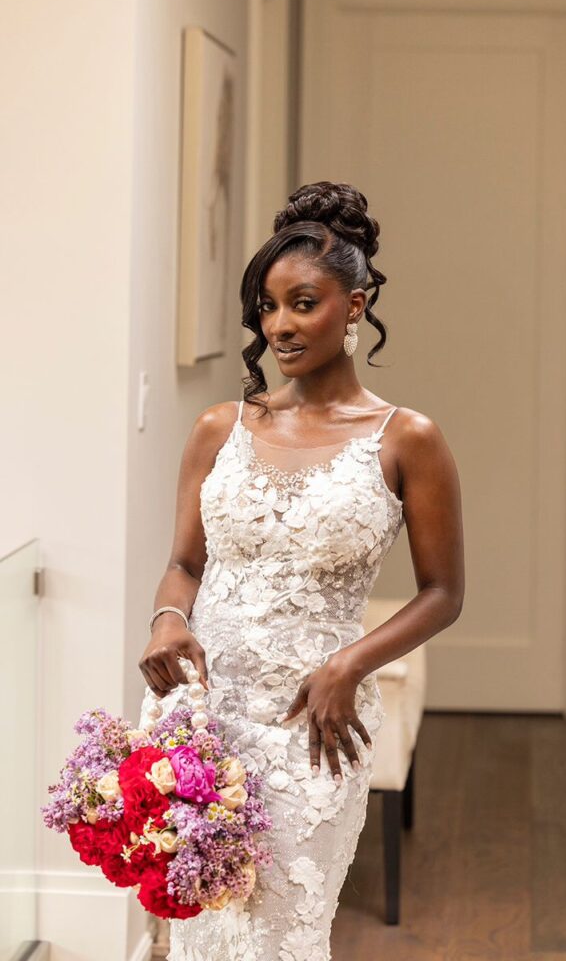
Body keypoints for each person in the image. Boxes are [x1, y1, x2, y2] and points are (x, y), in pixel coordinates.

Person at [137, 181, 465, 960]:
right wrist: (166, 619)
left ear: (355, 305)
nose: (279, 325)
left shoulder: (406, 438)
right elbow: (184, 563)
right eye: (266, 305)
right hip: (199, 719)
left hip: (311, 726)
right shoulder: (220, 427)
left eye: (303, 303)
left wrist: (348, 664)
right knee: (194, 940)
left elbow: (444, 593)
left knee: (279, 939)